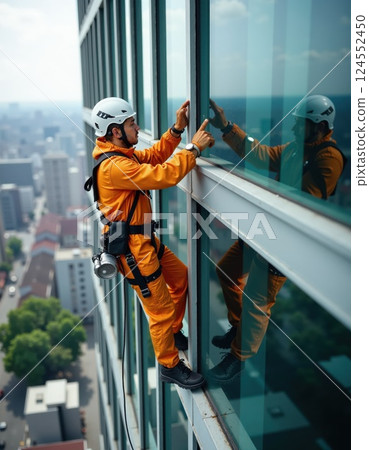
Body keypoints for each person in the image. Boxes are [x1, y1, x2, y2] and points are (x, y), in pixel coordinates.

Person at [207, 95, 346, 383]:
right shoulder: (298, 149)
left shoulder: (329, 157)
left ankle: (238, 357)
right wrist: (227, 127)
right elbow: (263, 156)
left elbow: (304, 200)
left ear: (319, 127)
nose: (293, 130)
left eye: (300, 125)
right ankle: (238, 327)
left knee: (258, 299)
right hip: (266, 229)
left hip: (286, 241)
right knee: (227, 271)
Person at [90, 97, 214, 389]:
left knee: (181, 277)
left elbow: (156, 157)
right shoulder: (113, 167)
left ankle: (172, 332)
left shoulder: (123, 156)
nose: (137, 127)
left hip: (143, 240)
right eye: (132, 123)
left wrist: (176, 130)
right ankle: (170, 366)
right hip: (134, 250)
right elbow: (165, 175)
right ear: (115, 130)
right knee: (159, 310)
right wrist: (193, 148)